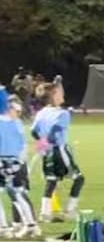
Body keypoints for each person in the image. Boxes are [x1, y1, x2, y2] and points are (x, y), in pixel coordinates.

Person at [30, 79, 83, 221]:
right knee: (78, 178)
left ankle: (45, 213)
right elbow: (55, 131)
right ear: (53, 96)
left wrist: (42, 142)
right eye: (59, 93)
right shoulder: (63, 114)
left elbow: (34, 131)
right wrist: (50, 139)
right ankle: (70, 210)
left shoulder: (41, 113)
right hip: (59, 150)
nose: (62, 94)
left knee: (51, 180)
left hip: (47, 152)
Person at [0, 89, 36, 235]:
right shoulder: (17, 123)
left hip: (3, 161)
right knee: (18, 193)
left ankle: (3, 227)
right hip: (16, 162)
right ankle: (30, 224)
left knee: (14, 193)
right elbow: (23, 145)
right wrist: (20, 162)